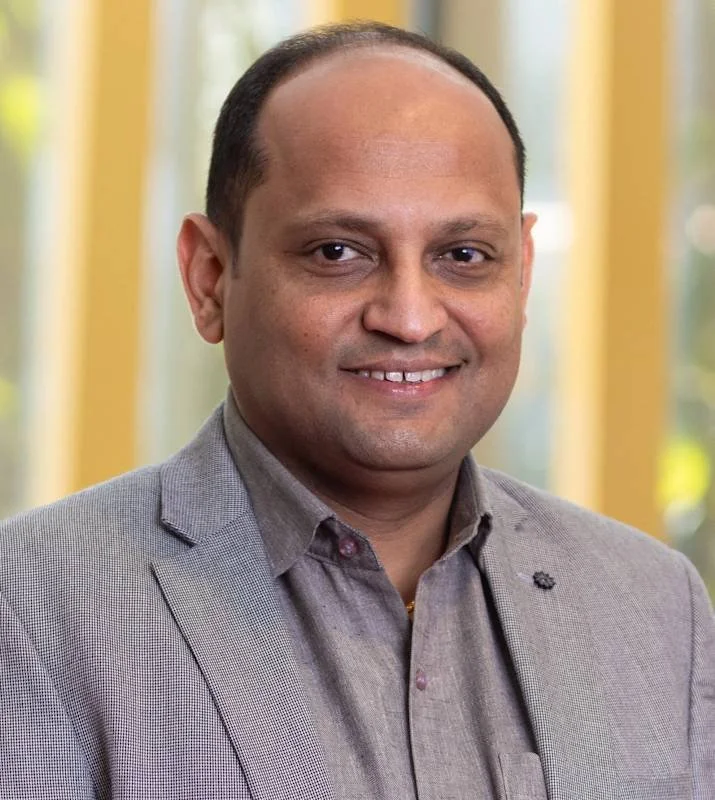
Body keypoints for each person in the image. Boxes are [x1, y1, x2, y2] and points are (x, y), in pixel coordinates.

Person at [1, 21, 713, 800]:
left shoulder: (654, 604)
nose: (409, 318)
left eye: (462, 256)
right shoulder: (32, 609)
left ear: (522, 274)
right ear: (209, 279)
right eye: (337, 251)